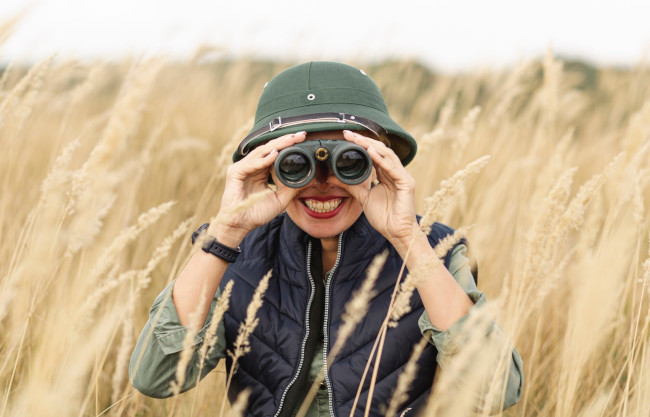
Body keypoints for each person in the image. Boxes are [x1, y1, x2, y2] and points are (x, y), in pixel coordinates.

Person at [129, 61, 524, 416]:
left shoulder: (434, 248)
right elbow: (157, 379)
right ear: (266, 168)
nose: (321, 184)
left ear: (380, 163)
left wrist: (407, 237)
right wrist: (227, 231)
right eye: (294, 162)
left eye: (347, 160)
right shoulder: (234, 252)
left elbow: (495, 390)